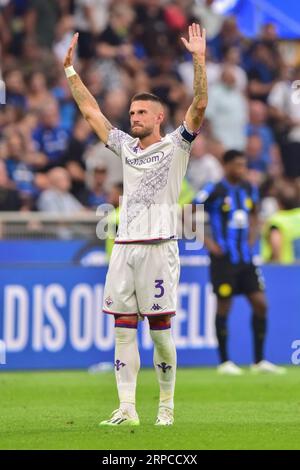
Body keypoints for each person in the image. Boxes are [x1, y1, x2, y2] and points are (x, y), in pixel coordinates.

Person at [64, 23, 208, 426]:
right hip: (125, 248)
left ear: (160, 116)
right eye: (131, 112)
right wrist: (71, 73)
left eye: (142, 112)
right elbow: (92, 111)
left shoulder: (177, 144)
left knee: (160, 334)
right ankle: (127, 409)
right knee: (123, 330)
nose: (134, 117)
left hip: (159, 248)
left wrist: (198, 59)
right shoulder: (125, 147)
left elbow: (199, 103)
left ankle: (166, 407)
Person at [194, 150, 285, 375]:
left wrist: (253, 234)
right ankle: (225, 362)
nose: (241, 169)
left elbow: (254, 213)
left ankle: (258, 361)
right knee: (225, 305)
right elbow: (188, 211)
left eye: (243, 165)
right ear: (225, 166)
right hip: (223, 260)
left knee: (261, 304)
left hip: (245, 259)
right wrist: (208, 243)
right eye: (237, 165)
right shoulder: (214, 189)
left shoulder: (248, 188)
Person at [261, 183, 300, 264]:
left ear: (279, 202)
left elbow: (276, 244)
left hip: (286, 270)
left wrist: (276, 265)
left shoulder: (277, 221)